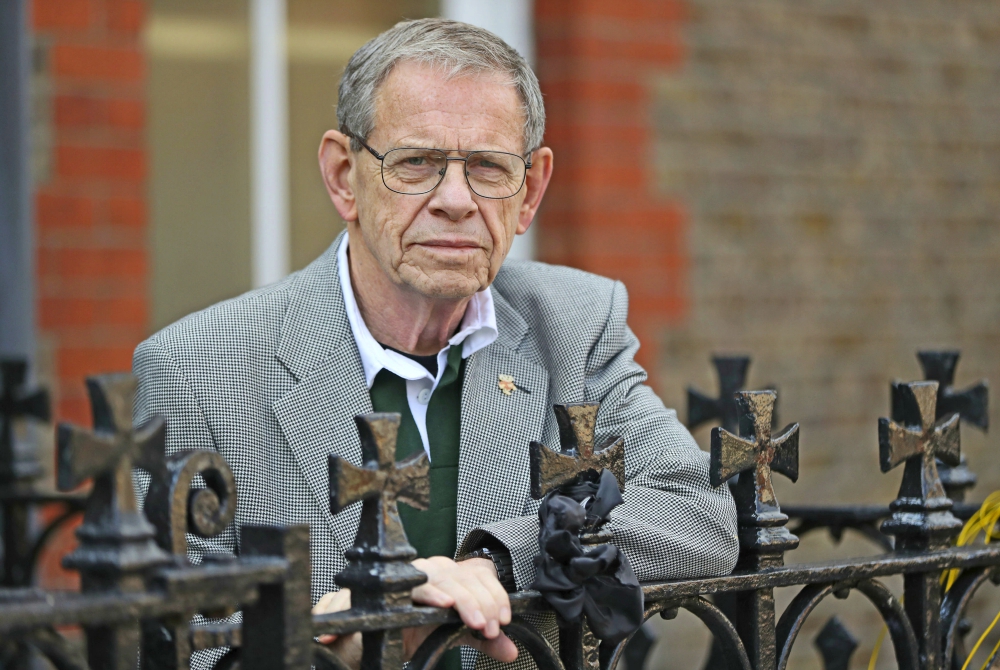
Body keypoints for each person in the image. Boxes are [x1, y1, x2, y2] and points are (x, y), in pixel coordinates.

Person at [133, 18, 738, 670]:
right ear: (343, 176)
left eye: (487, 166)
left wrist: (496, 562)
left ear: (529, 189)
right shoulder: (195, 370)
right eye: (416, 163)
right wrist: (310, 640)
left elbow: (699, 513)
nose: (455, 199)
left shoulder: (576, 324)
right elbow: (162, 640)